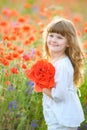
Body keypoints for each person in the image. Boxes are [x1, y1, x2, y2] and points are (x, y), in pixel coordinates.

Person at [42, 17, 85, 130]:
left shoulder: (62, 66)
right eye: (51, 35)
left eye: (59, 37)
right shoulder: (53, 61)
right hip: (58, 116)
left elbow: (58, 96)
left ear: (69, 43)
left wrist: (41, 86)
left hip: (63, 120)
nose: (54, 40)